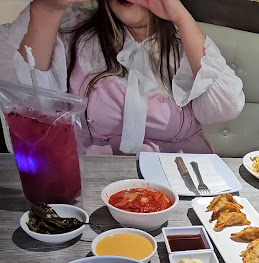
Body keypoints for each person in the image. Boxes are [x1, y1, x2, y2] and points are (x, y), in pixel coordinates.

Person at [0, 0, 245, 155]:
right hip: (102, 182)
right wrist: (48, 8)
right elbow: (31, 104)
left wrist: (181, 17)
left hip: (184, 179)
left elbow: (225, 108)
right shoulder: (76, 35)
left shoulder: (185, 43)